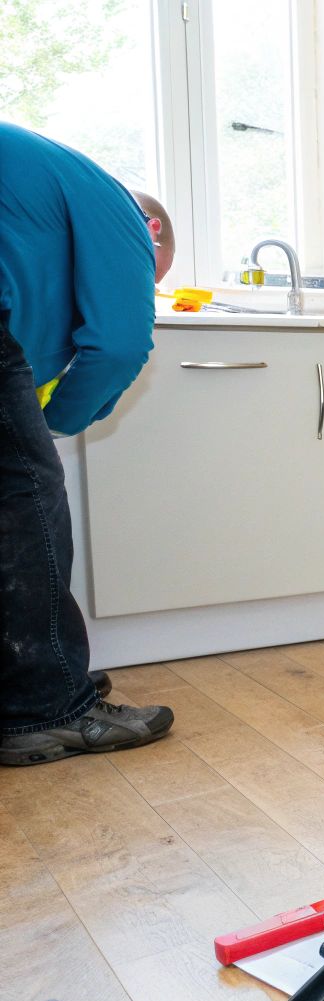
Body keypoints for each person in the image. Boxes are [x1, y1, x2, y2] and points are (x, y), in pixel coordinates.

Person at [0, 121, 176, 766]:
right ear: (150, 233)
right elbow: (121, 340)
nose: (146, 289)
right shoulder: (123, 213)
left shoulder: (40, 192)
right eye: (150, 278)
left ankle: (26, 683)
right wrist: (58, 422)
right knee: (24, 506)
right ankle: (45, 708)